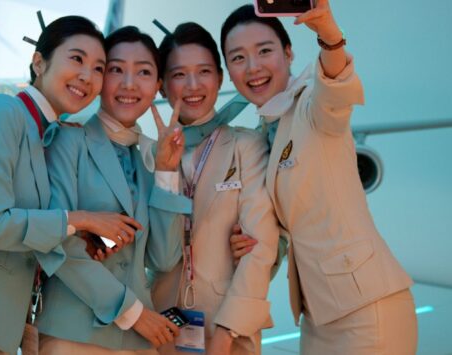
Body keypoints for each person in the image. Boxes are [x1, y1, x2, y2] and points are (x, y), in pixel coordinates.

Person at [0, 16, 142, 355]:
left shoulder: (44, 135)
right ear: (39, 62)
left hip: (4, 329)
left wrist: (75, 233)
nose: (87, 76)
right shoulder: (2, 112)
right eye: (77, 59)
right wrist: (80, 219)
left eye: (99, 68)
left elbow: (25, 222)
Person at [221, 3, 417, 354]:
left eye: (264, 51)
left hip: (366, 309)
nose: (252, 67)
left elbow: (336, 91)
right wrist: (247, 242)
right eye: (237, 58)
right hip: (319, 316)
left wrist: (329, 37)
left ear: (289, 52)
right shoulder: (266, 131)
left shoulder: (310, 104)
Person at [36, 26, 191, 354]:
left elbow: (163, 258)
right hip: (74, 335)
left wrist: (165, 171)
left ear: (158, 86)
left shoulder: (150, 158)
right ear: (100, 78)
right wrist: (132, 313)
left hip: (137, 343)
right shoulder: (67, 140)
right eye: (116, 69)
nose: (129, 84)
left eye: (144, 72)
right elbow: (54, 243)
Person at [149, 22, 280, 355]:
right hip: (157, 331)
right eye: (179, 75)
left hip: (229, 333)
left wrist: (226, 332)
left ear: (220, 79)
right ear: (162, 86)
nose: (193, 86)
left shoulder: (246, 146)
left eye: (204, 71)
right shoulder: (148, 156)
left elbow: (260, 248)